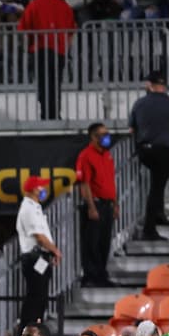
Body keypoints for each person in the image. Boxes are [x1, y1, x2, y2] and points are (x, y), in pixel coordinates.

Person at [129, 70, 169, 241]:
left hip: (143, 150)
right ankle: (149, 228)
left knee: (157, 184)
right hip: (161, 151)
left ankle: (159, 214)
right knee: (157, 186)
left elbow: (132, 130)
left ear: (150, 85)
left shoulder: (139, 104)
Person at [17, 0, 75, 120]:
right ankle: (56, 114)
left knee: (43, 84)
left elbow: (24, 28)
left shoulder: (34, 4)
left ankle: (45, 114)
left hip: (39, 49)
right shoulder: (63, 5)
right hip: (59, 50)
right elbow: (71, 28)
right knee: (56, 84)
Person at [16, 176, 62, 333]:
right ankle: (27, 333)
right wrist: (55, 250)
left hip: (40, 258)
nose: (44, 189)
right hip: (33, 259)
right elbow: (39, 237)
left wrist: (51, 252)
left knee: (39, 298)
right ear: (34, 189)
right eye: (42, 186)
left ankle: (34, 333)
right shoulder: (28, 209)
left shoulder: (35, 207)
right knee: (34, 298)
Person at [75, 123, 118, 287]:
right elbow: (84, 184)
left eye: (107, 133)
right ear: (93, 137)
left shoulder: (107, 155)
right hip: (95, 204)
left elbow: (110, 182)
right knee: (91, 243)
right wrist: (91, 207)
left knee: (104, 243)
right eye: (103, 134)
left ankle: (101, 275)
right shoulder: (86, 156)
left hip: (107, 204)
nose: (107, 136)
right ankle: (90, 277)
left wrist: (115, 204)